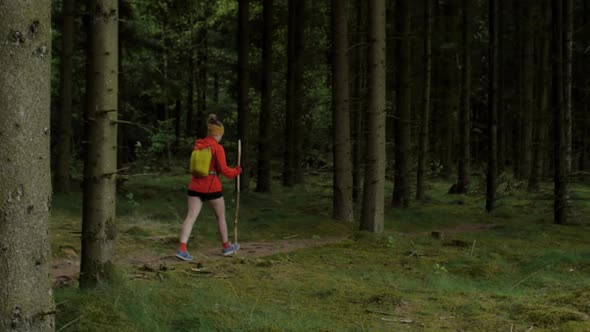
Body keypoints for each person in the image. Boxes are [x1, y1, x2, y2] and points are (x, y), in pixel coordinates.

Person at [176, 114, 241, 261]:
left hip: (195, 185)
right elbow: (224, 171)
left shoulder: (198, 144)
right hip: (212, 187)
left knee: (191, 216)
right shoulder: (217, 148)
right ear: (218, 134)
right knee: (220, 217)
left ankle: (182, 249)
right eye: (221, 135)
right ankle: (226, 247)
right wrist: (237, 171)